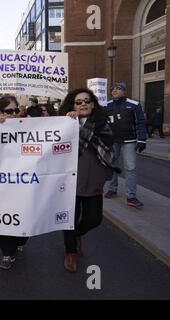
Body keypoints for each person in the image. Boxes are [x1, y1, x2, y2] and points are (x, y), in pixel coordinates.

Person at [59, 88, 119, 273]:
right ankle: (70, 252)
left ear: (93, 104)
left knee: (94, 220)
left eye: (87, 100)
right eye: (79, 102)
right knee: (69, 221)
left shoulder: (103, 125)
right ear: (72, 105)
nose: (83, 104)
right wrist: (68, 124)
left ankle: (77, 235)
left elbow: (108, 148)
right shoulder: (63, 125)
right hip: (69, 183)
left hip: (93, 183)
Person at [0, 95, 30, 270]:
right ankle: (7, 254)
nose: (14, 114)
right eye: (9, 111)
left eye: (16, 110)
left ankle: (21, 240)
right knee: (5, 220)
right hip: (3, 187)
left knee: (25, 219)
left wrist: (69, 118)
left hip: (26, 185)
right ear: (0, 112)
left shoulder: (31, 125)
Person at [104, 82, 147, 208]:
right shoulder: (106, 105)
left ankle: (131, 196)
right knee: (113, 165)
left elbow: (140, 122)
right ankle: (112, 189)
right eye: (113, 89)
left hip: (129, 140)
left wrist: (142, 139)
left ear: (124, 91)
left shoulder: (134, 104)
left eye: (118, 88)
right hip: (112, 141)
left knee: (131, 168)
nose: (114, 90)